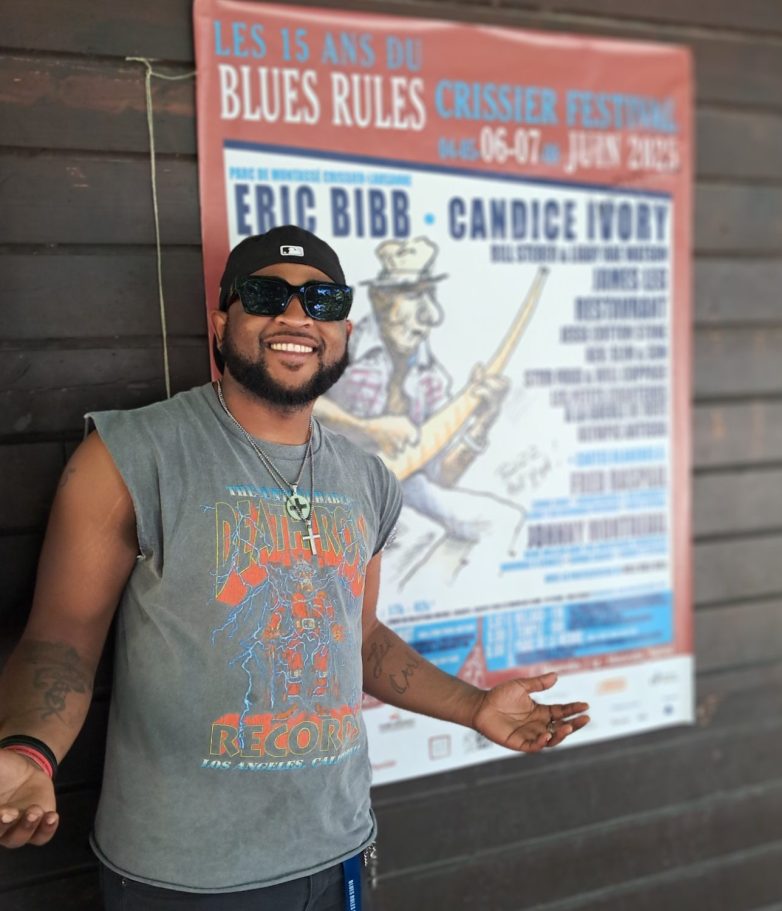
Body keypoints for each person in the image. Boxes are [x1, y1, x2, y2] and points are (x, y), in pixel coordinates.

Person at [0, 226, 589, 910]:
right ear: (221, 323)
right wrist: (29, 751)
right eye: (265, 295)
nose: (296, 316)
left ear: (343, 331)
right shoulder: (135, 454)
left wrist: (474, 705)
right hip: (185, 874)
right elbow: (61, 639)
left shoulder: (367, 477)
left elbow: (360, 638)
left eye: (322, 301)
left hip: (335, 848)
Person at [315, 237, 525, 591]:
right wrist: (366, 428)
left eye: (431, 296)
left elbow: (441, 475)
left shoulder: (431, 378)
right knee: (418, 535)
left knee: (500, 519)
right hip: (333, 490)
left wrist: (481, 423)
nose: (432, 315)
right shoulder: (339, 347)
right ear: (382, 301)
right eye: (415, 296)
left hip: (404, 487)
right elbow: (295, 400)